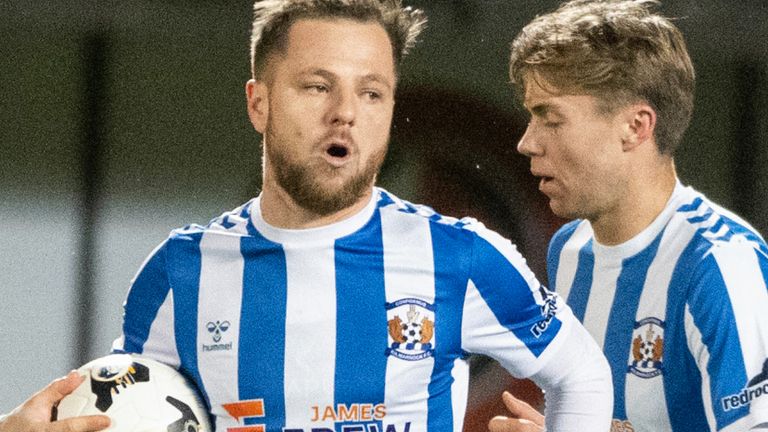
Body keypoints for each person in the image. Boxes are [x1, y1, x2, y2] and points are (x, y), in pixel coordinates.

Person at [0, 1, 615, 431]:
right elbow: (133, 412)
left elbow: (582, 376)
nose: (346, 112)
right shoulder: (178, 274)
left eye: (371, 92)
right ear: (259, 103)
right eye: (318, 86)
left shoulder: (458, 258)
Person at [489, 0, 768, 431]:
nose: (526, 142)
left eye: (550, 117)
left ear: (636, 127)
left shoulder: (720, 265)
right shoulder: (569, 250)